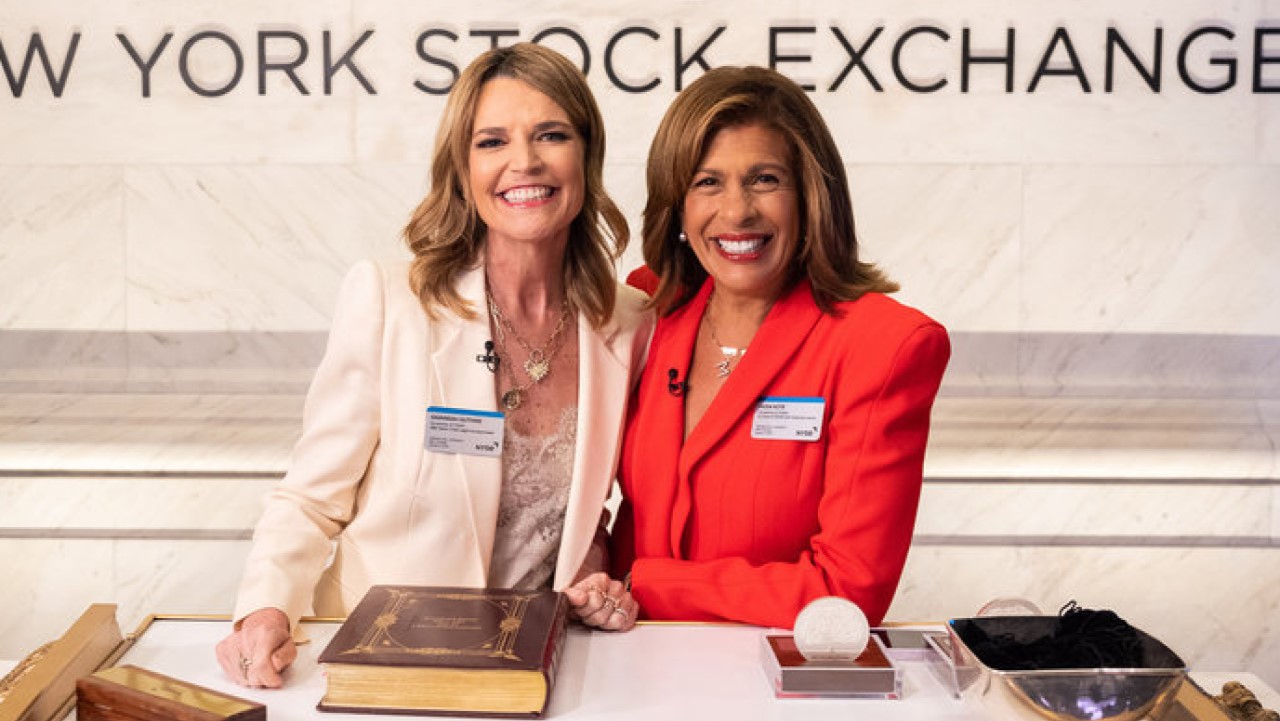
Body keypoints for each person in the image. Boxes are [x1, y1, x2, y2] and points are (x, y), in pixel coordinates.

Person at [216, 43, 650, 688]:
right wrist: (264, 609)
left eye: (551, 135)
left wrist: (595, 564)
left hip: (538, 667)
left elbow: (592, 505)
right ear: (461, 168)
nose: (523, 162)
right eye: (492, 141)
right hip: (386, 662)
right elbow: (310, 498)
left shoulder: (632, 321)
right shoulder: (391, 300)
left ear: (586, 154)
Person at [610, 66, 950, 629]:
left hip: (777, 683)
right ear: (677, 206)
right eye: (706, 182)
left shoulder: (884, 345)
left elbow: (846, 591)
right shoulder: (650, 306)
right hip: (619, 671)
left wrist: (645, 585)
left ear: (812, 197)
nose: (737, 210)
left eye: (765, 180)